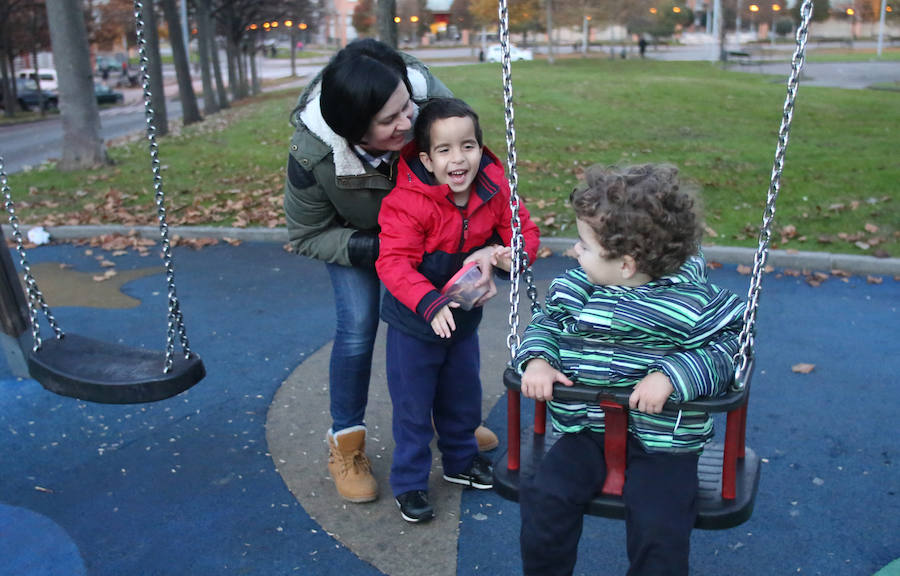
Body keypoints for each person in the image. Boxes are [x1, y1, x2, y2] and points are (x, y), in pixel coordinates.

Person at [283, 39, 499, 505]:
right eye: (389, 121)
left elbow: (469, 159)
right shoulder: (312, 151)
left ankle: (455, 427)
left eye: (407, 108)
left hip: (431, 224)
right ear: (355, 134)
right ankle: (347, 444)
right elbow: (306, 235)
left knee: (452, 317)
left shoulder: (422, 99)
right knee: (359, 328)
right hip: (360, 237)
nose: (409, 123)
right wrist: (386, 250)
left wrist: (487, 247)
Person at [515, 163, 746, 575]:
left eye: (584, 246)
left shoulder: (690, 305)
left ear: (625, 264)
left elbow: (732, 347)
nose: (573, 251)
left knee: (660, 526)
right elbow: (546, 324)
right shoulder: (575, 289)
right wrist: (538, 360)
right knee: (545, 497)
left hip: (665, 443)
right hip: (586, 428)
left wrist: (674, 374)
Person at [375, 98, 541, 522]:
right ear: (428, 159)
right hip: (414, 322)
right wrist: (428, 303)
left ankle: (460, 461)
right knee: (414, 406)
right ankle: (410, 482)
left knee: (462, 397)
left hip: (462, 321)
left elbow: (523, 232)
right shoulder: (408, 201)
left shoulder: (495, 190)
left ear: (480, 150)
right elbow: (393, 262)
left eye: (467, 146)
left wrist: (508, 256)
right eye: (444, 150)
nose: (458, 159)